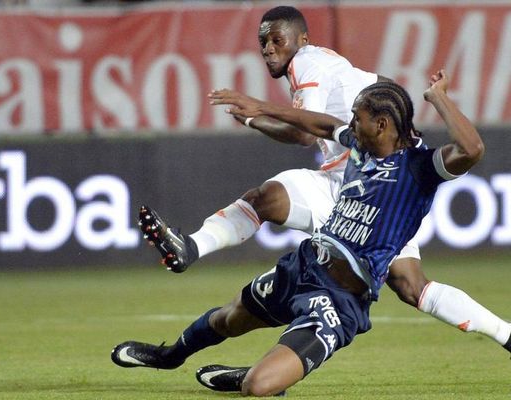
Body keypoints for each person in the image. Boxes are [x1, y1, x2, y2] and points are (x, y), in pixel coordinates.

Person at [137, 5, 511, 351]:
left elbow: (303, 133)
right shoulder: (328, 62)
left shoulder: (306, 63)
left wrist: (257, 113)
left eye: (276, 39)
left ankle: (192, 248)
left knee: (264, 199)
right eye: (262, 42)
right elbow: (362, 97)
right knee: (413, 286)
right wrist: (257, 117)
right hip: (374, 185)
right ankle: (507, 335)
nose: (268, 49)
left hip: (357, 183)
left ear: (302, 40)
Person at [113, 71, 490, 395]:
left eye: (358, 119)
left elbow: (471, 148)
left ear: (382, 125)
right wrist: (261, 108)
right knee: (228, 319)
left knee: (256, 387)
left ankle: (266, 378)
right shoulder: (361, 146)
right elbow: (324, 124)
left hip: (338, 301)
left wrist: (438, 98)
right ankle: (168, 357)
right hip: (304, 267)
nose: (352, 125)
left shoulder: (419, 169)